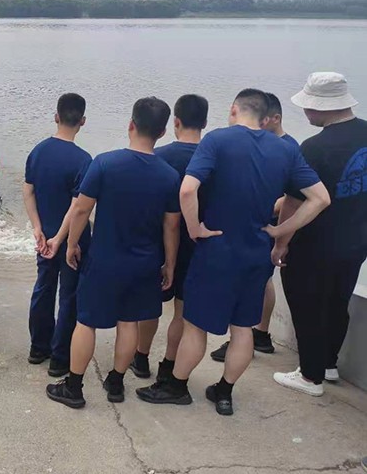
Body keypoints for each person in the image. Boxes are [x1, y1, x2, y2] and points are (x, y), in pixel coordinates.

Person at [136, 88, 329, 416]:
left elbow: (188, 189)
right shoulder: (286, 149)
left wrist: (194, 228)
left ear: (234, 110)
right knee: (242, 329)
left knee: (195, 325)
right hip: (256, 253)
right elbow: (320, 198)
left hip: (217, 251)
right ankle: (224, 393)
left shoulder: (217, 140)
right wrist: (280, 231)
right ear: (265, 118)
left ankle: (176, 386)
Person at [46, 97, 181, 408]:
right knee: (129, 322)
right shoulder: (169, 175)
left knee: (86, 322)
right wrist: (170, 264)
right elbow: (171, 226)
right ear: (162, 132)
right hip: (145, 262)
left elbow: (81, 209)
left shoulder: (105, 163)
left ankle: (74, 387)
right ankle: (116, 382)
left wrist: (71, 244)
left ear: (131, 124)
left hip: (105, 259)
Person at [272, 72, 367, 396]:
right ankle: (328, 364)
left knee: (306, 304)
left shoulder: (314, 148)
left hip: (316, 243)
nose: (305, 112)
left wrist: (281, 242)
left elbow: (293, 202)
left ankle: (310, 377)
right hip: (357, 241)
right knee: (338, 301)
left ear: (322, 106)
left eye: (308, 106)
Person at [210, 92, 298, 362]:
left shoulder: (287, 147)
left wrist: (269, 216)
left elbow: (293, 197)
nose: (258, 124)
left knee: (259, 282)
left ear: (275, 118)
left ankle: (252, 332)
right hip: (258, 226)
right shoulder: (265, 144)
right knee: (263, 281)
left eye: (264, 120)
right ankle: (258, 333)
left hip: (266, 224)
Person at [131, 94, 209, 381]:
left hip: (157, 243)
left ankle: (141, 357)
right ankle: (168, 365)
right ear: (204, 123)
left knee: (149, 306)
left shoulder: (158, 156)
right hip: (197, 245)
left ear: (175, 122)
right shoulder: (210, 160)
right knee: (182, 312)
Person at [23, 93, 91, 377]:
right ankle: (60, 358)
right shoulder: (83, 160)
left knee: (44, 287)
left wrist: (38, 228)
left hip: (46, 234)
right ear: (82, 121)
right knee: (69, 295)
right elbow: (77, 206)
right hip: (72, 239)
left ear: (56, 117)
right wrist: (62, 240)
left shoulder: (38, 152)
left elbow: (28, 190)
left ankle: (38, 347)